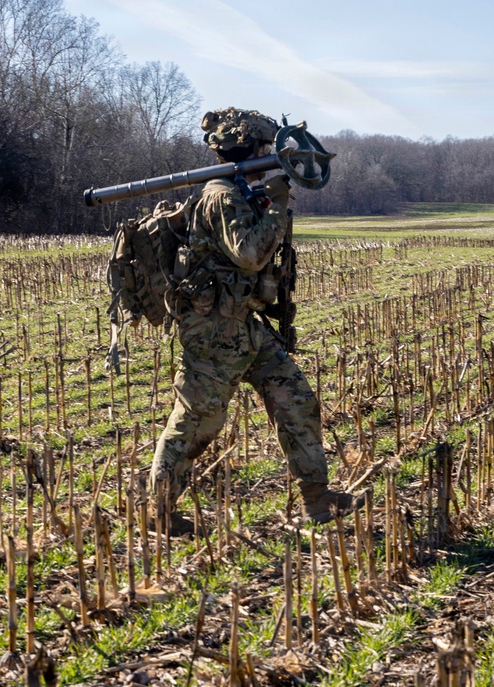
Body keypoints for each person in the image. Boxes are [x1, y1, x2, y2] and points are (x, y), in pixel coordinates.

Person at [148, 107, 353, 524]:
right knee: (198, 421)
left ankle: (317, 499)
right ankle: (159, 511)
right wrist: (277, 204)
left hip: (244, 326)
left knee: (295, 400)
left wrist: (268, 201)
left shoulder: (240, 192)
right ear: (256, 148)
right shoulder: (220, 195)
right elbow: (249, 255)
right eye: (266, 147)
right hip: (213, 332)